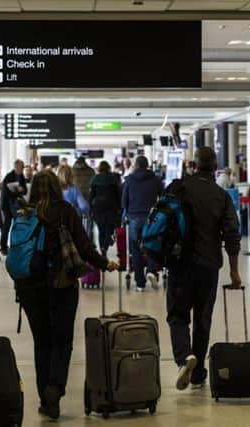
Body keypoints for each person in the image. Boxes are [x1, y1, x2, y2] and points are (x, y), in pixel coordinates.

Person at [16, 170, 118, 420]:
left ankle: (44, 398)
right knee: (62, 340)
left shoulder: (24, 213)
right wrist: (104, 263)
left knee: (42, 342)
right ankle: (55, 388)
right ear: (56, 187)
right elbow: (83, 246)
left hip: (29, 287)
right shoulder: (65, 211)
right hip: (61, 285)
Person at [167, 147, 241, 391]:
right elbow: (231, 234)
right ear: (215, 167)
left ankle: (184, 357)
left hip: (180, 264)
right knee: (202, 318)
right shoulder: (221, 196)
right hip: (209, 265)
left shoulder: (178, 189)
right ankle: (198, 373)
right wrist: (234, 271)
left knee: (177, 315)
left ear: (193, 164)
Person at [121, 155, 163, 291]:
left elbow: (124, 201)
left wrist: (127, 213)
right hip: (151, 218)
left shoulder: (129, 180)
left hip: (134, 218)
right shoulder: (155, 180)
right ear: (147, 165)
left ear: (136, 166)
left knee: (135, 249)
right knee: (153, 245)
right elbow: (162, 198)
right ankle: (151, 270)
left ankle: (140, 283)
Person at [89, 161, 122, 255]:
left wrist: (90, 209)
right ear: (108, 168)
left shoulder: (95, 179)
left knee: (101, 229)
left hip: (98, 207)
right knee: (109, 228)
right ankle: (105, 246)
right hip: (111, 206)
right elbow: (117, 195)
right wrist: (119, 207)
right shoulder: (112, 178)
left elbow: (91, 196)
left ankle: (103, 249)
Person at [0, 160, 28, 255]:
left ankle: (16, 244)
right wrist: (18, 191)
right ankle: (3, 247)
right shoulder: (9, 176)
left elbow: (25, 191)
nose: (21, 169)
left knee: (17, 225)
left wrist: (19, 190)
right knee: (6, 226)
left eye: (22, 167)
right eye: (20, 167)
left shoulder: (21, 176)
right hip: (7, 206)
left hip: (16, 205)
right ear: (15, 167)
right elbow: (6, 192)